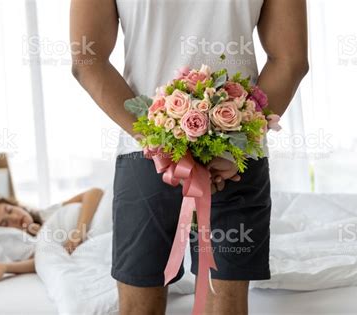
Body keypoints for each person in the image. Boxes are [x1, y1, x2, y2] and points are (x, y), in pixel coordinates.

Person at [70, 0, 309, 314]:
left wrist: (159, 141)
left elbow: (87, 59)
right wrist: (237, 143)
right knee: (226, 308)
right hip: (233, 156)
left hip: (149, 153)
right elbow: (290, 60)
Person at [0, 188, 104, 284]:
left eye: (10, 210)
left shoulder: (46, 214)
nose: (14, 217)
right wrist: (6, 268)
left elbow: (94, 192)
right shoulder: (29, 243)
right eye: (5, 223)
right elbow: (40, 260)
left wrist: (79, 231)